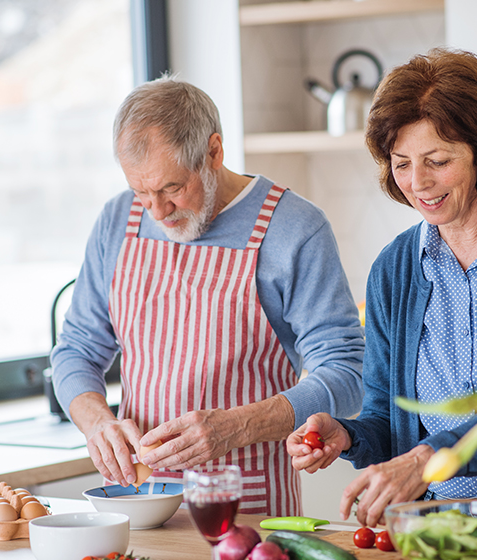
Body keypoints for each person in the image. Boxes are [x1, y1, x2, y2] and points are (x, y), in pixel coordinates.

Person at [287, 48, 477, 527]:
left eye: (437, 160)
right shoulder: (395, 269)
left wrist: (427, 458)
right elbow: (388, 422)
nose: (418, 182)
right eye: (401, 163)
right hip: (435, 524)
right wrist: (347, 435)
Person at [51, 76, 364, 517]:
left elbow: (348, 372)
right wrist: (96, 422)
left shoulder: (294, 228)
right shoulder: (116, 220)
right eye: (141, 191)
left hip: (248, 510)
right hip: (134, 509)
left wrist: (237, 426)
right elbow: (76, 350)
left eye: (171, 188)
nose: (157, 212)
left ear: (213, 152)